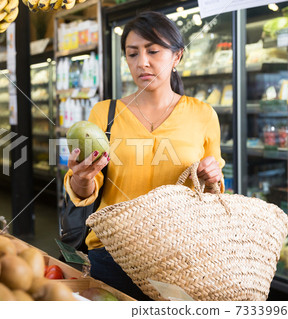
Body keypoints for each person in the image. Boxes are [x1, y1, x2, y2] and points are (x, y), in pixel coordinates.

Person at [64, 12, 225, 300]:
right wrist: (81, 178)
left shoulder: (202, 114)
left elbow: (214, 193)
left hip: (179, 255)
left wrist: (212, 176)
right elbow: (87, 190)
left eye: (153, 51)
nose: (143, 62)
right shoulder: (105, 113)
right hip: (112, 252)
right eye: (132, 53)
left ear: (177, 57)